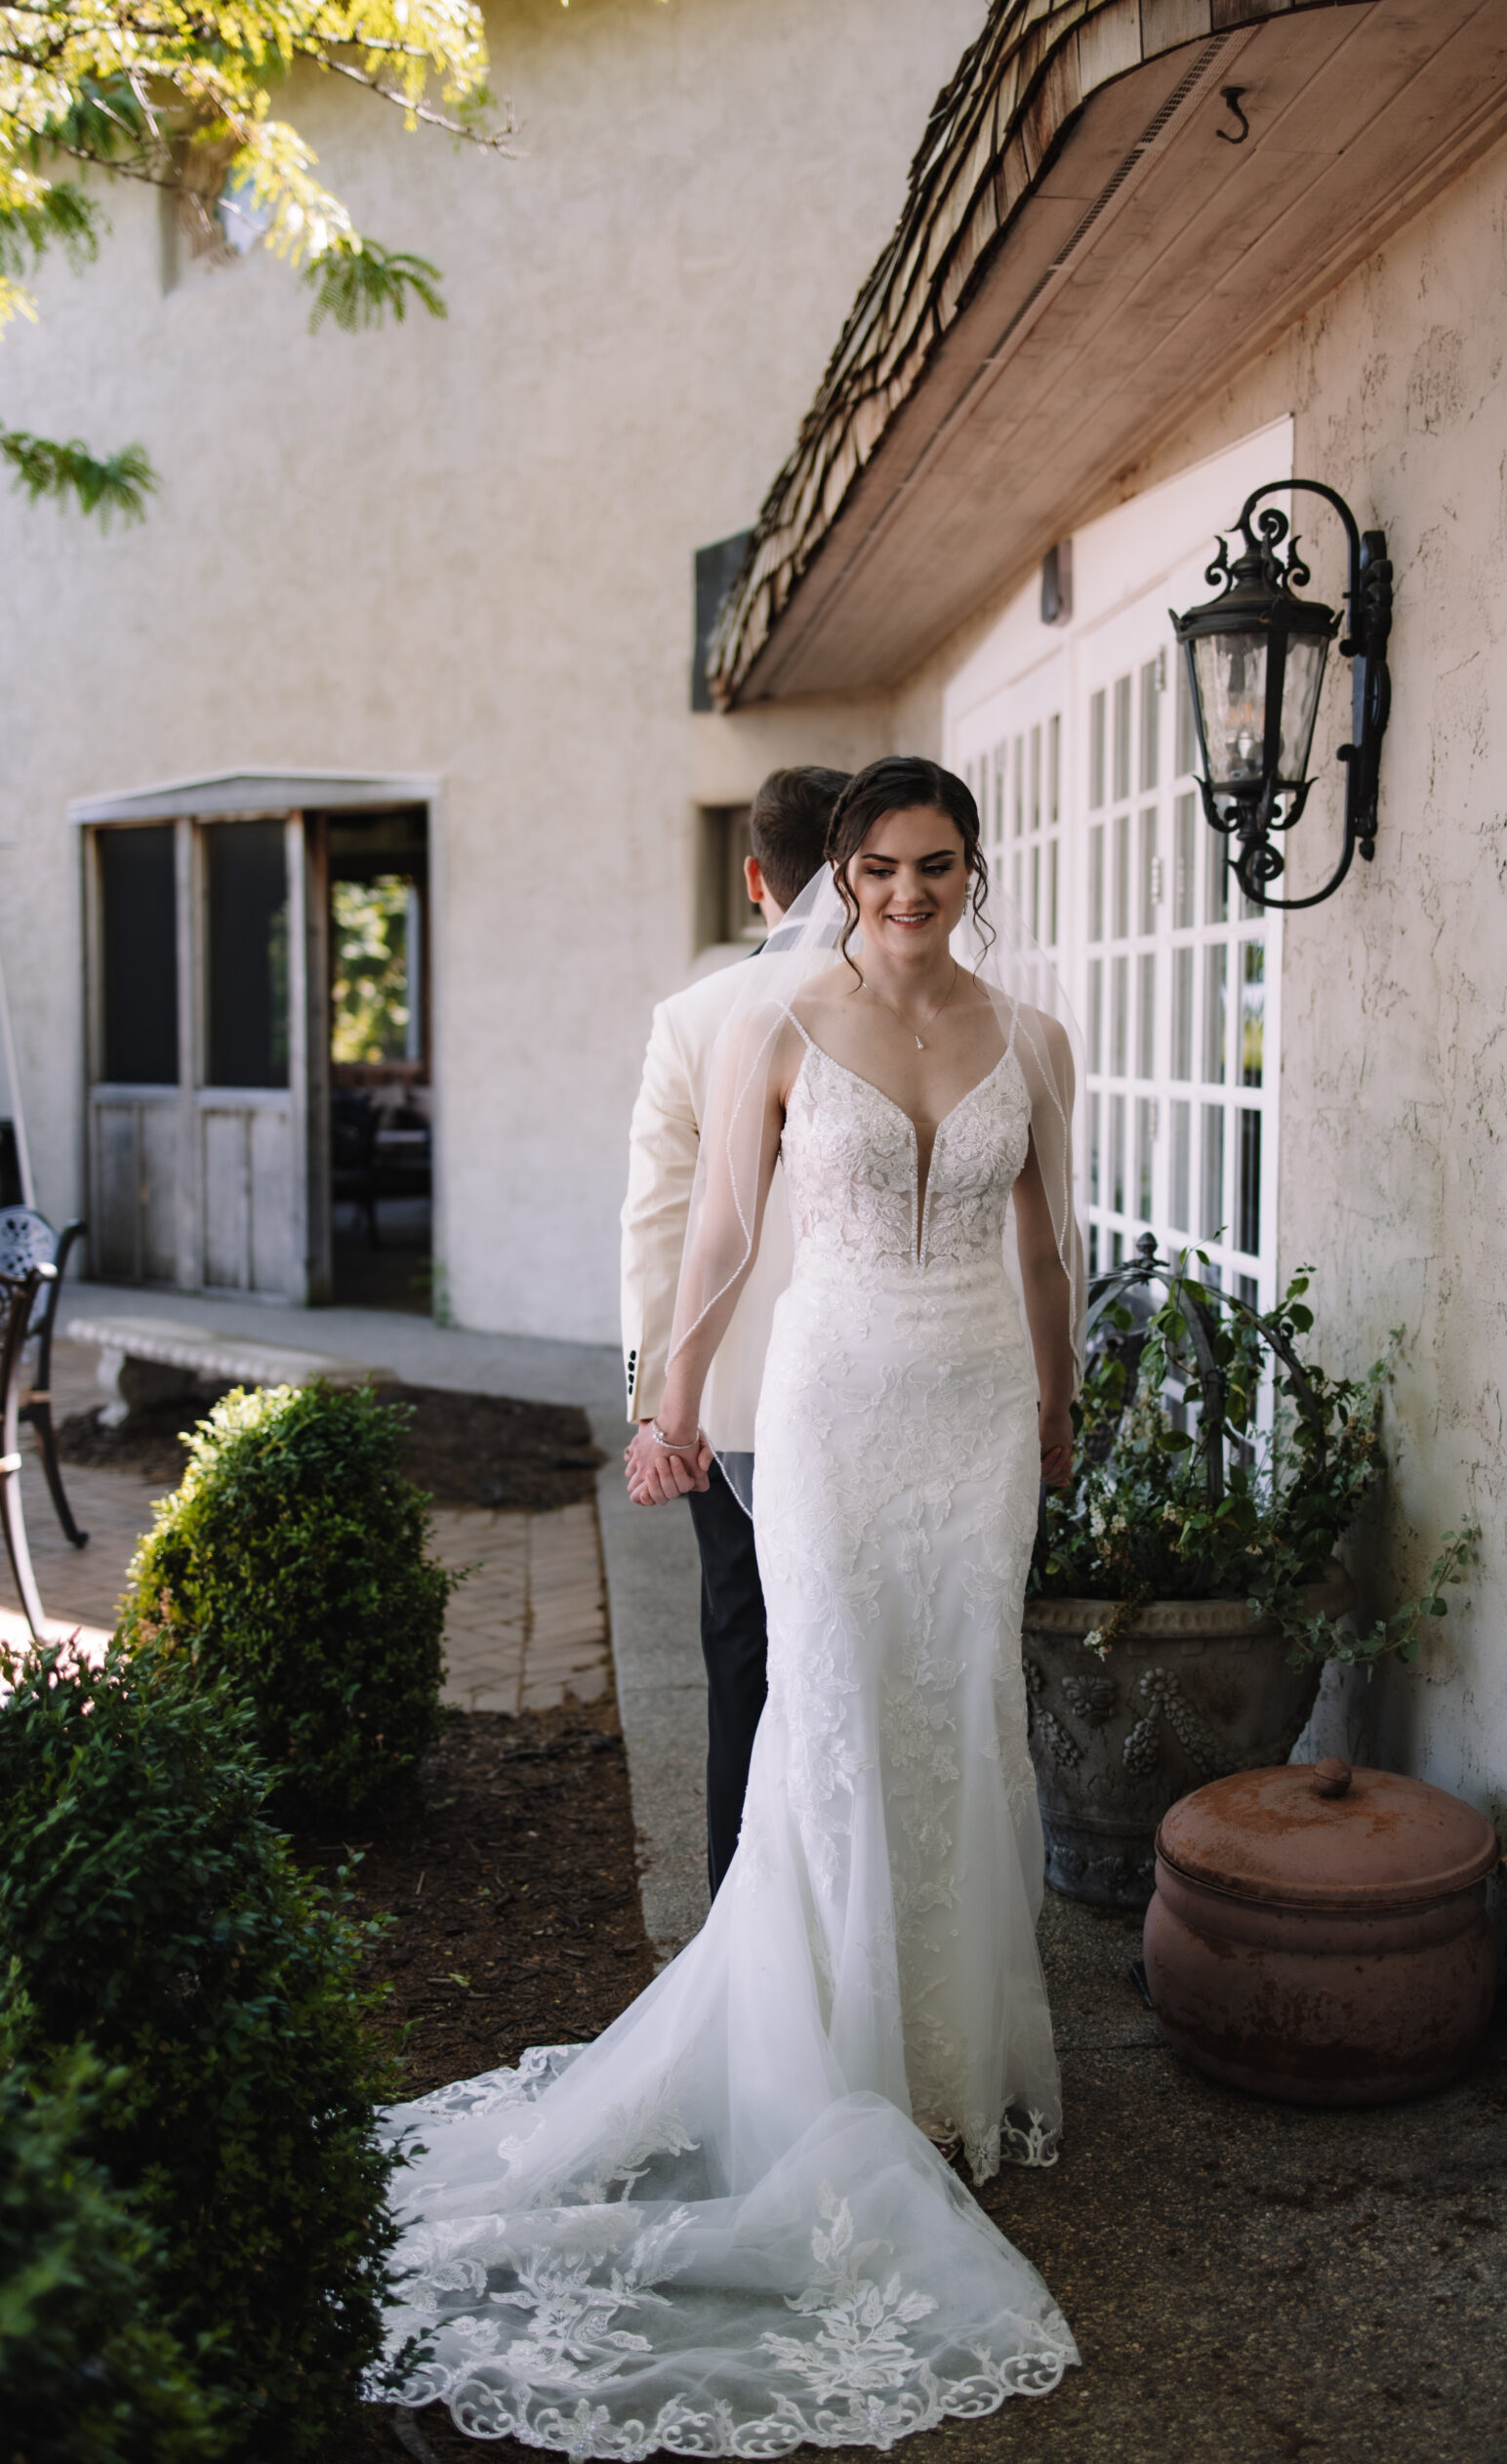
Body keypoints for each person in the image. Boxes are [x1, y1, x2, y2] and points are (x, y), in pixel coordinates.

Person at [371, 759, 1082, 2457]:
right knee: (833, 1705)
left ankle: (947, 2061)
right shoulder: (782, 1029)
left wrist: (1063, 1405)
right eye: (887, 867)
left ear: (973, 873)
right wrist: (669, 1398)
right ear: (839, 874)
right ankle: (826, 2062)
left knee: (962, 1704)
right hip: (834, 1408)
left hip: (978, 1408)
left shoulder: (1034, 1041)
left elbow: (1050, 1246)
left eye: (939, 867)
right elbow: (724, 1236)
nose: (913, 893)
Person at [619, 763, 849, 1893]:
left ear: (757, 876)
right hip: (886, 1385)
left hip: (737, 1400)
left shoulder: (697, 1016)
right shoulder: (926, 1009)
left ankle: (739, 1915)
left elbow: (657, 1223)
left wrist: (656, 1403)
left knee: (743, 1644)